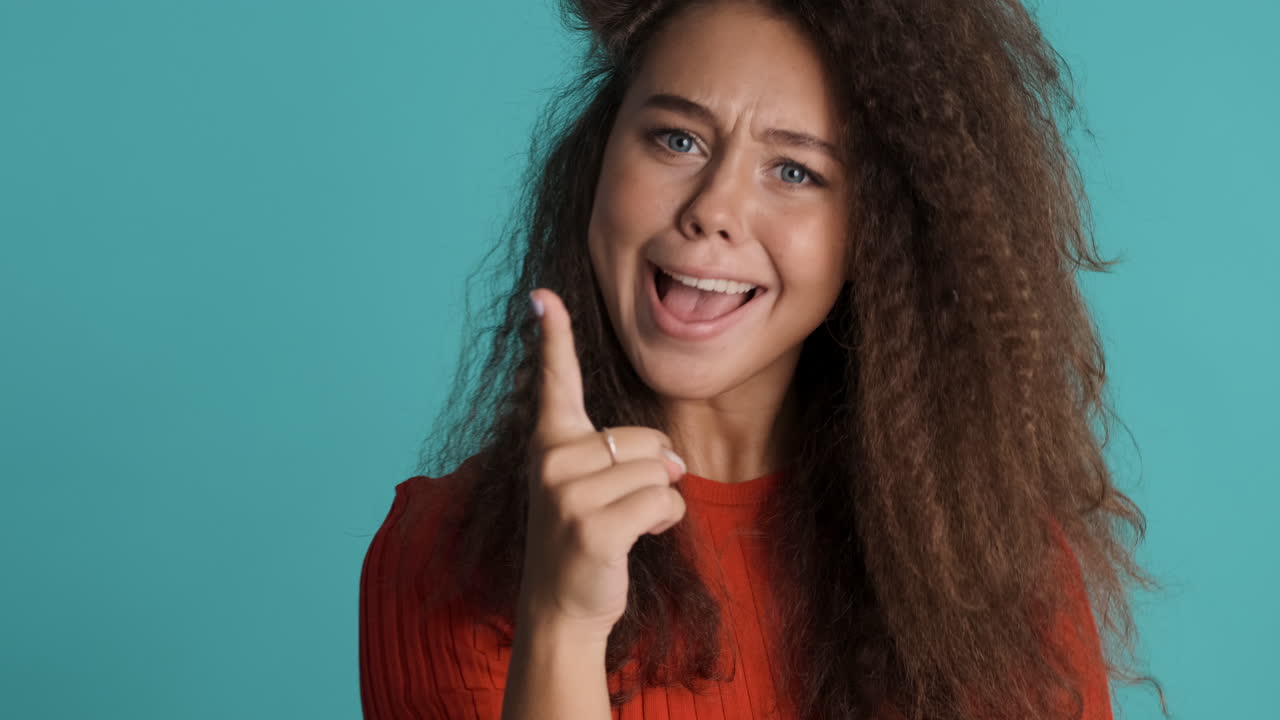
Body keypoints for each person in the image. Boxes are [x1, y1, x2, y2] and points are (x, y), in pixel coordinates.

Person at [360, 0, 1167, 718]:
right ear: (597, 161)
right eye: (676, 138)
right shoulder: (443, 555)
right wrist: (562, 625)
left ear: (875, 236)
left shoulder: (998, 568)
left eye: (795, 170)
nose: (714, 209)